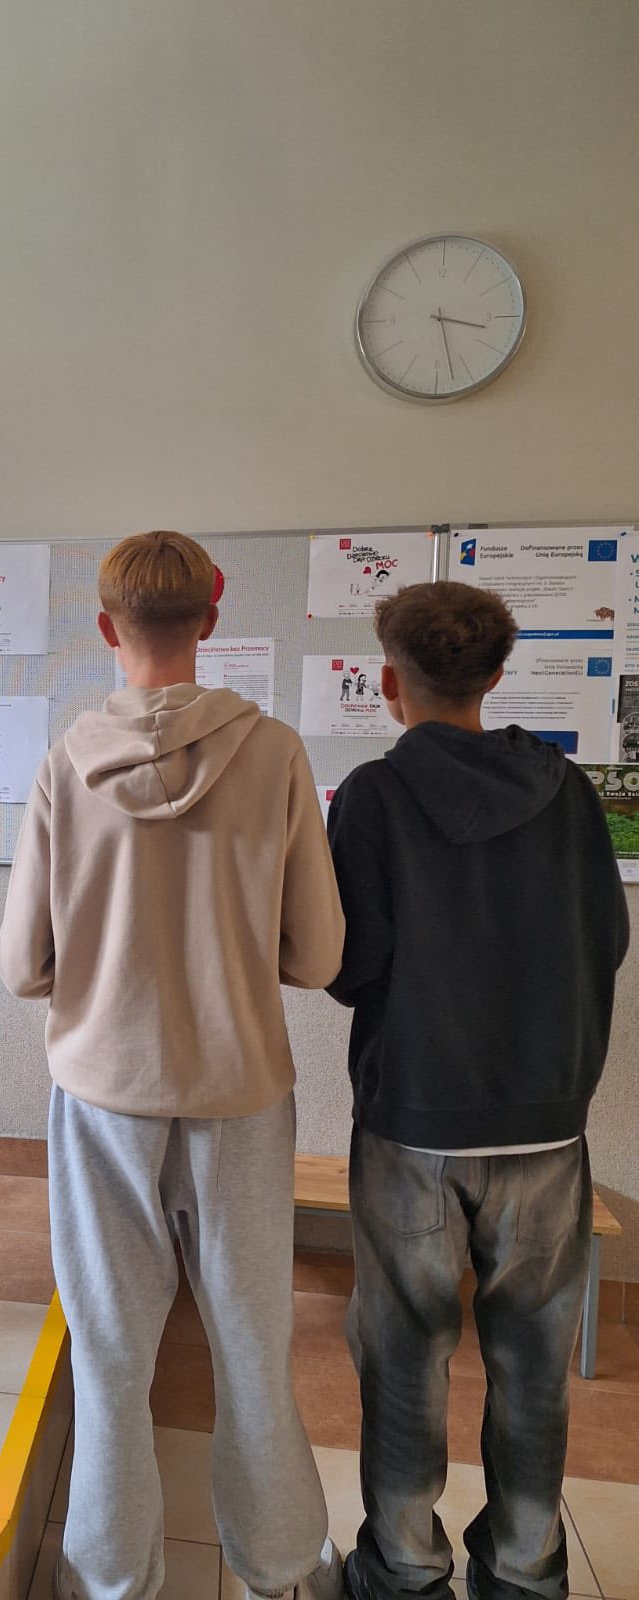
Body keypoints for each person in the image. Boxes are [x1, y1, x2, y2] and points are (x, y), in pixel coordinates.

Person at [0, 531, 346, 1600]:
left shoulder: (67, 761)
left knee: (108, 1351)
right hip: (240, 1089)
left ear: (105, 626)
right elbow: (318, 955)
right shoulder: (276, 752)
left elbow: (21, 966)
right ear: (213, 616)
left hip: (104, 1092)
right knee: (253, 1344)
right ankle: (282, 1570)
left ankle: (112, 1579)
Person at [325, 581, 630, 1600]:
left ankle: (404, 1567)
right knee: (534, 1362)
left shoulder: (373, 796)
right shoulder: (570, 791)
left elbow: (349, 968)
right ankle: (526, 1571)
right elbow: (607, 939)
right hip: (546, 1121)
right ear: (497, 677)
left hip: (412, 1121)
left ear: (388, 683)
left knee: (404, 1355)